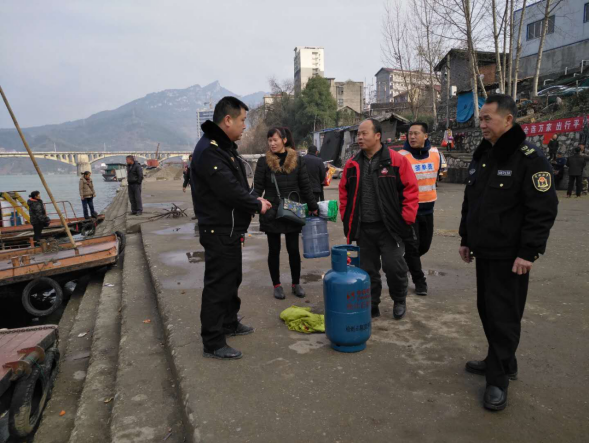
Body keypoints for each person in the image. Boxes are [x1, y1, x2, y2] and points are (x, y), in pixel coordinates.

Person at [459, 94, 558, 411]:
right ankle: (502, 359)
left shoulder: (529, 158)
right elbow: (471, 201)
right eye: (481, 118)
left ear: (508, 120)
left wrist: (529, 252)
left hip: (511, 256)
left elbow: (542, 209)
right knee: (487, 310)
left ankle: (498, 380)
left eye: (487, 118)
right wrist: (466, 238)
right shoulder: (484, 154)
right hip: (485, 251)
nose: (482, 124)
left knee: (503, 316)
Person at [191, 96, 272, 360]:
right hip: (218, 230)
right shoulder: (210, 150)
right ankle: (213, 341)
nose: (244, 126)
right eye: (242, 120)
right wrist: (255, 203)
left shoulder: (223, 148)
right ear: (227, 120)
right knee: (218, 284)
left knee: (232, 279)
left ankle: (228, 322)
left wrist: (252, 200)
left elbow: (236, 185)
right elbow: (228, 190)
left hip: (230, 228)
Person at [339, 119, 419, 320]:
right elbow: (344, 193)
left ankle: (399, 299)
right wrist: (346, 216)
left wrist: (406, 219)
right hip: (364, 228)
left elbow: (410, 190)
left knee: (394, 266)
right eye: (358, 134)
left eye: (364, 133)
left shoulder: (396, 161)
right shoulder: (352, 164)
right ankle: (372, 303)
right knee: (367, 270)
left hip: (389, 227)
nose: (359, 137)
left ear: (377, 136)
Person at [254, 127, 318, 300]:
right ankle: (277, 285)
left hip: (293, 208)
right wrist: (253, 203)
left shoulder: (297, 160)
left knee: (293, 249)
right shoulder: (263, 162)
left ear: (284, 140)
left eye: (275, 140)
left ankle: (296, 283)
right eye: (269, 140)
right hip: (272, 210)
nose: (272, 143)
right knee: (274, 249)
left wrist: (313, 206)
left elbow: (305, 186)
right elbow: (257, 187)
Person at [399, 122, 441, 296]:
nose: (412, 137)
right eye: (410, 133)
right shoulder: (401, 156)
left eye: (416, 133)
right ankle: (420, 281)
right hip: (409, 210)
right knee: (412, 247)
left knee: (424, 246)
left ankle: (401, 263)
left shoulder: (436, 154)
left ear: (426, 136)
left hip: (428, 210)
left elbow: (437, 177)